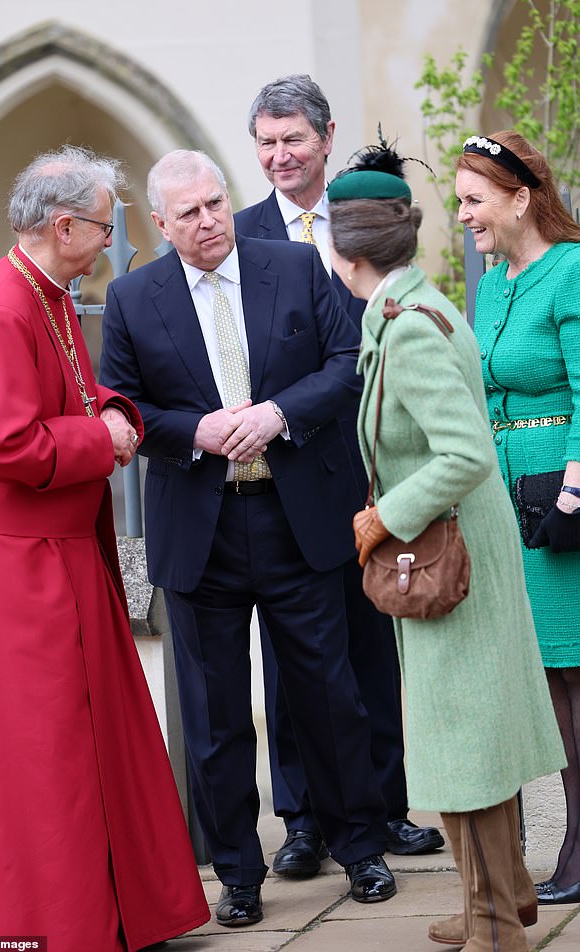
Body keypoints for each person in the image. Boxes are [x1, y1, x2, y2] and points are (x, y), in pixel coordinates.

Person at [100, 148, 398, 928]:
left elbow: (347, 363)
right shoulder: (132, 298)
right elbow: (122, 406)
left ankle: (360, 849)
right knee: (216, 716)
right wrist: (193, 431)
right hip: (202, 530)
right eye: (189, 213)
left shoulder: (294, 267)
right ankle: (237, 873)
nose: (209, 221)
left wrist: (278, 414)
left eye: (215, 203)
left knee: (328, 695)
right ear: (160, 224)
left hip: (296, 517)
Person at [0, 146, 209, 951]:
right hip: (22, 568)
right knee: (46, 750)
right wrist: (104, 439)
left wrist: (113, 410)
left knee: (95, 737)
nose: (111, 242)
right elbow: (0, 442)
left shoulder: (50, 293)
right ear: (62, 227)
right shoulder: (1, 311)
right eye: (102, 226)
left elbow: (69, 390)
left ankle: (117, 913)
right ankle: (55, 925)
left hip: (61, 548)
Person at [328, 141, 566, 952]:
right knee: (459, 735)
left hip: (449, 558)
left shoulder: (411, 329)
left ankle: (496, 923)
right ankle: (496, 896)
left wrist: (382, 516)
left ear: (344, 252)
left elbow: (464, 454)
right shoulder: (406, 308)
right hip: (449, 551)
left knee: (466, 741)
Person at [235, 73, 443, 878]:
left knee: (371, 641)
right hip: (284, 477)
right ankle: (302, 823)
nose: (279, 155)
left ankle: (386, 808)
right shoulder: (239, 235)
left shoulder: (365, 221)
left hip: (367, 466)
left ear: (326, 138)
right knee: (291, 660)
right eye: (266, 142)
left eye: (293, 139)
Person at [456, 130, 580, 908]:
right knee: (547, 676)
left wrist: (574, 494)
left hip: (559, 496)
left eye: (474, 201)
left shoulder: (571, 270)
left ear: (520, 198)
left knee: (573, 671)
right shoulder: (495, 283)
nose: (464, 216)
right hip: (506, 500)